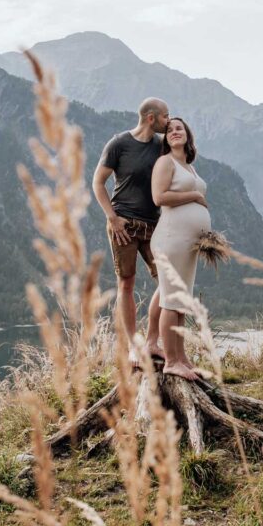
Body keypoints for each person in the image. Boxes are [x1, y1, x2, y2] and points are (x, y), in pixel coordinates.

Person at [92, 97, 170, 365]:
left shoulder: (162, 147)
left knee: (169, 280)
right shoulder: (119, 144)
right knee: (126, 283)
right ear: (151, 118)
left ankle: (152, 341)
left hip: (153, 226)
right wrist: (111, 218)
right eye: (165, 117)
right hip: (123, 223)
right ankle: (134, 347)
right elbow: (98, 182)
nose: (168, 121)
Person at [150, 117, 210, 380]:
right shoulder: (165, 162)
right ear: (165, 138)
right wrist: (195, 197)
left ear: (187, 134)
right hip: (171, 238)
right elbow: (159, 197)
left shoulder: (189, 167)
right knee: (171, 302)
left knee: (180, 301)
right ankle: (171, 361)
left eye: (179, 128)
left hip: (187, 244)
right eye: (170, 130)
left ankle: (182, 357)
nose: (174, 132)